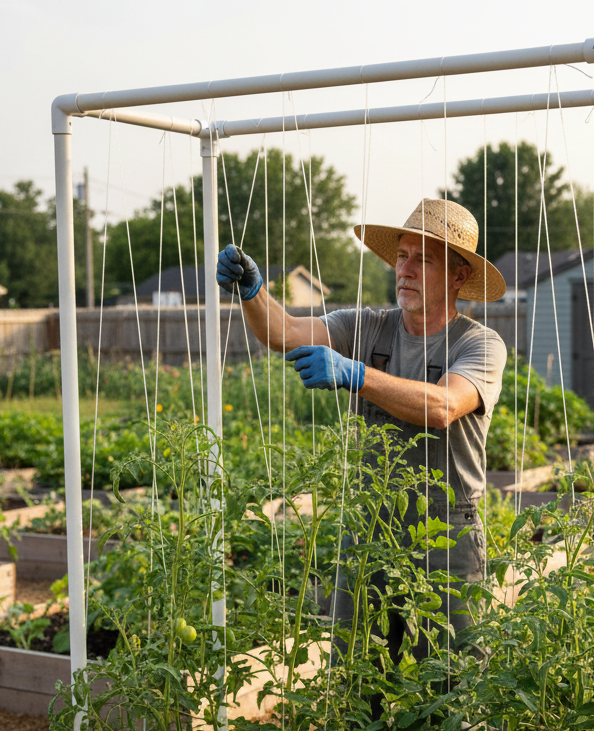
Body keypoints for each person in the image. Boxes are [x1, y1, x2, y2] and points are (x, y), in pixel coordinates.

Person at [216, 197, 507, 664]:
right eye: (401, 256)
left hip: (446, 531)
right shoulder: (368, 326)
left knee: (452, 680)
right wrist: (253, 294)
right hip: (370, 524)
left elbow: (443, 406)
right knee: (356, 673)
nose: (405, 270)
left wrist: (358, 376)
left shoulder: (480, 343)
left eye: (422, 260)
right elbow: (285, 333)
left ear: (457, 276)